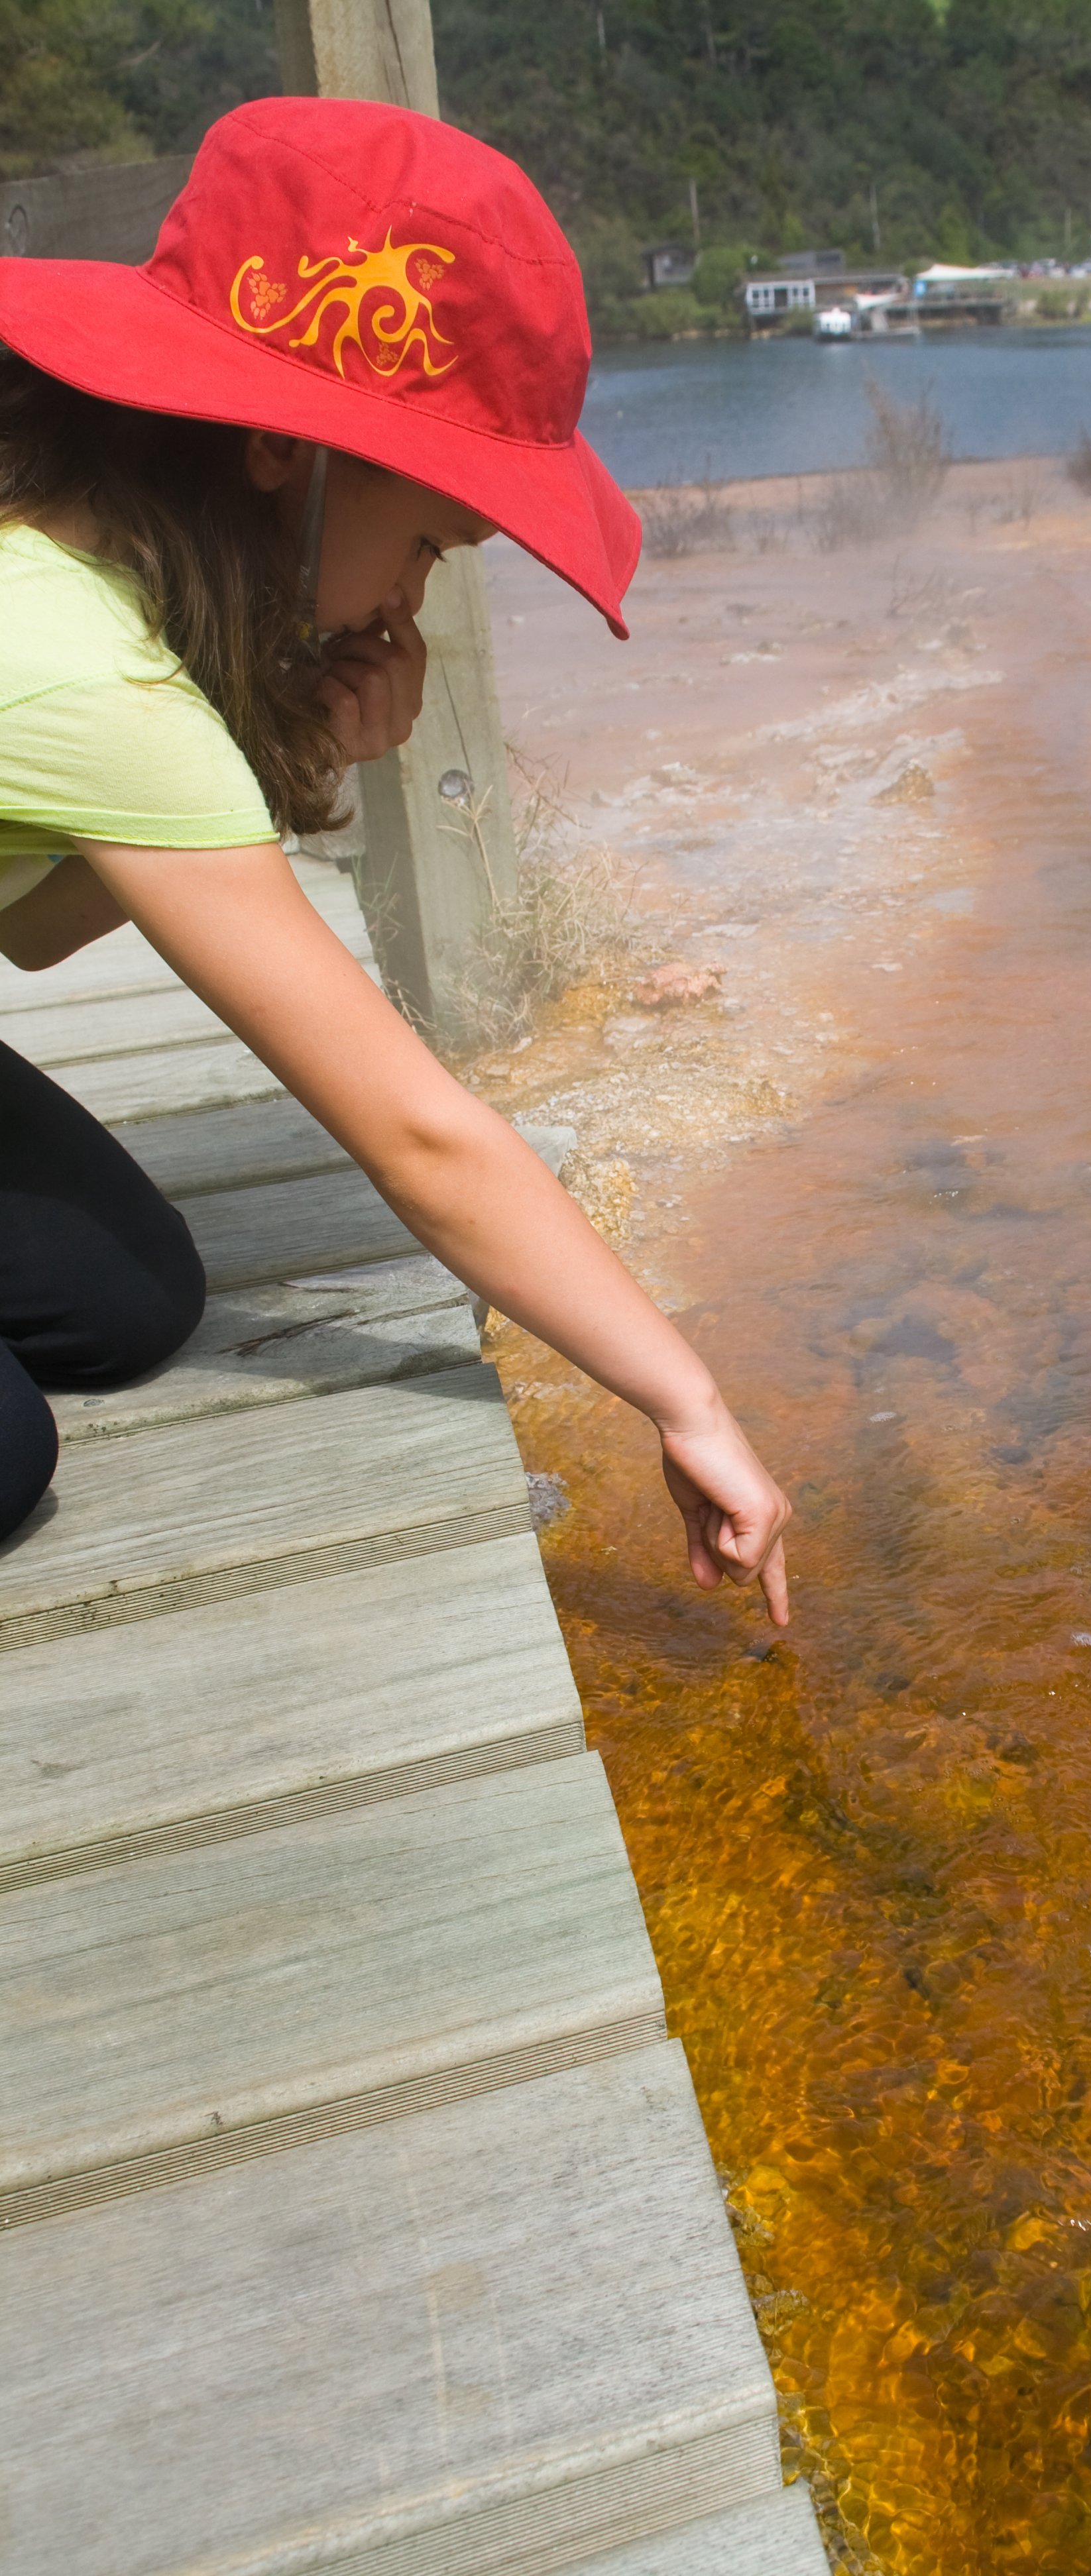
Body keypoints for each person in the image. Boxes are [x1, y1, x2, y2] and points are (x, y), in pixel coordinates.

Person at [0, 95, 790, 1619]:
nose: (410, 601)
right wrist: (689, 1402)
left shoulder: (78, 545)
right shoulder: (82, 667)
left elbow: (28, 928)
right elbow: (421, 1137)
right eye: (429, 542)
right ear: (282, 454)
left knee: (128, 1304)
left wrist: (284, 752)